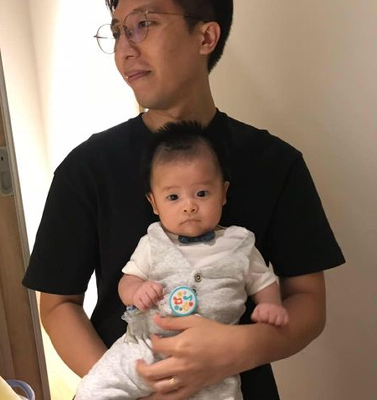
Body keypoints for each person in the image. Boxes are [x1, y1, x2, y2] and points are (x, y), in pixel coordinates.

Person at [22, 0, 345, 398]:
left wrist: (240, 348)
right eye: (118, 31)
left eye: (143, 24)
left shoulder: (275, 163)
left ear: (206, 36)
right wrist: (138, 386)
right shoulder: (86, 168)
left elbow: (308, 300)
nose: (125, 49)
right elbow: (58, 305)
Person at [75, 122, 289, 400]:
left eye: (201, 193)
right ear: (154, 203)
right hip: (144, 347)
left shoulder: (239, 243)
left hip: (214, 358)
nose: (189, 206)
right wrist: (137, 292)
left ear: (223, 193)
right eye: (173, 197)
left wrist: (270, 305)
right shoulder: (152, 242)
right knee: (93, 390)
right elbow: (128, 280)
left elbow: (264, 281)